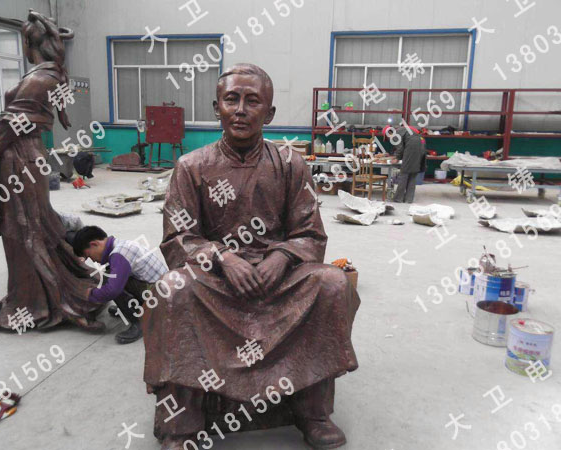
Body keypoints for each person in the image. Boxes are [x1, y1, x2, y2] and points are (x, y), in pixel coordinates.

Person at [142, 64, 360, 450]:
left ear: (269, 113)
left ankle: (312, 410)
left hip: (279, 278)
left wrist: (283, 255)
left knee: (332, 283)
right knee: (171, 290)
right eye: (231, 99)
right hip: (216, 280)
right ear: (217, 108)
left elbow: (310, 233)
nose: (240, 110)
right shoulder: (191, 167)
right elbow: (178, 238)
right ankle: (184, 422)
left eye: (252, 101)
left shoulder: (291, 164)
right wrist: (222, 257)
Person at [0, 11, 104, 331]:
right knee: (36, 228)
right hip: (26, 159)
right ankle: (51, 293)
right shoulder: (48, 75)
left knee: (24, 233)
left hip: (18, 160)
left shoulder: (39, 80)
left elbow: (8, 131)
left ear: (28, 42)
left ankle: (39, 303)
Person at [72, 226, 167, 344]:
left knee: (109, 281)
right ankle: (133, 307)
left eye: (89, 255)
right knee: (112, 275)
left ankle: (139, 322)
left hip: (159, 299)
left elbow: (112, 291)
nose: (94, 261)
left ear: (94, 244)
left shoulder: (118, 255)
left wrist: (90, 294)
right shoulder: (121, 245)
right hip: (161, 289)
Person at [391, 126, 426, 203]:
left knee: (404, 173)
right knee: (413, 173)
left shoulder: (395, 134)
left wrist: (397, 158)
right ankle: (409, 199)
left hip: (412, 146)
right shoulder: (404, 130)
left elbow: (400, 148)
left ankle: (398, 199)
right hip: (421, 143)